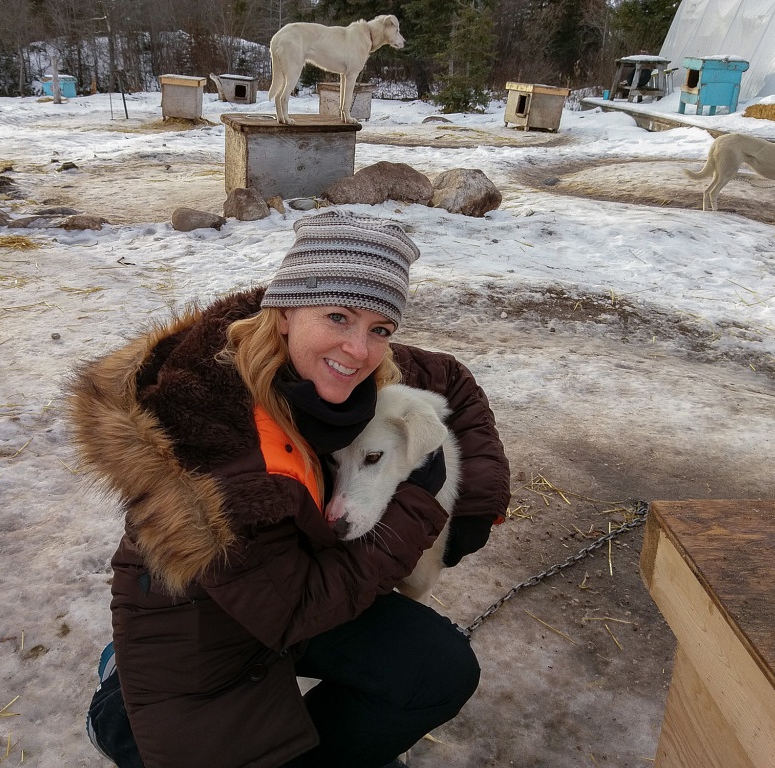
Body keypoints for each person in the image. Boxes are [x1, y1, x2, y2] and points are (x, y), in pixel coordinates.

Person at [69, 210, 511, 768]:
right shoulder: (215, 434)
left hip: (297, 579)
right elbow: (293, 612)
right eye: (338, 316)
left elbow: (450, 382)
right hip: (204, 622)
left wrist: (476, 502)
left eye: (380, 328)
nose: (359, 349)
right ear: (283, 314)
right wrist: (420, 507)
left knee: (440, 669)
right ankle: (116, 709)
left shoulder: (348, 371)